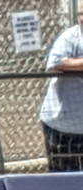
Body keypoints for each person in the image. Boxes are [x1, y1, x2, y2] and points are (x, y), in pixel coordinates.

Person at [39, 12, 83, 172]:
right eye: (81, 13)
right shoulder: (70, 37)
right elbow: (56, 61)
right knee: (62, 180)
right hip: (62, 126)